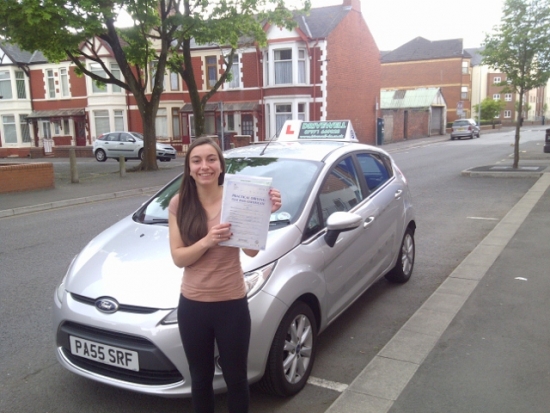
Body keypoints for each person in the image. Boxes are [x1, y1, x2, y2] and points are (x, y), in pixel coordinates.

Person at [168, 136, 281, 413]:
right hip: (193, 306)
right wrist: (208, 240)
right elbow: (178, 257)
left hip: (231, 304)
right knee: (201, 379)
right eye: (196, 160)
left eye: (211, 159)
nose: (204, 166)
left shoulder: (238, 198)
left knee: (236, 379)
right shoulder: (179, 203)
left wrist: (262, 215)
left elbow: (252, 253)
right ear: (189, 168)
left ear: (221, 166)